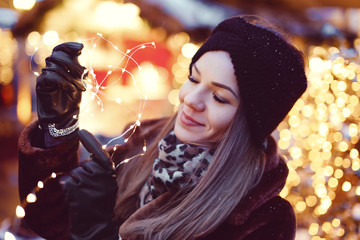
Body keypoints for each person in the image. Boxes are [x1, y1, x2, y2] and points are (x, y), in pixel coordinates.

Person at [18, 16, 307, 240]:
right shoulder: (137, 147)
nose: (191, 100)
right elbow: (49, 219)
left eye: (219, 97)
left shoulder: (263, 219)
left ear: (250, 124)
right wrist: (55, 129)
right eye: (193, 79)